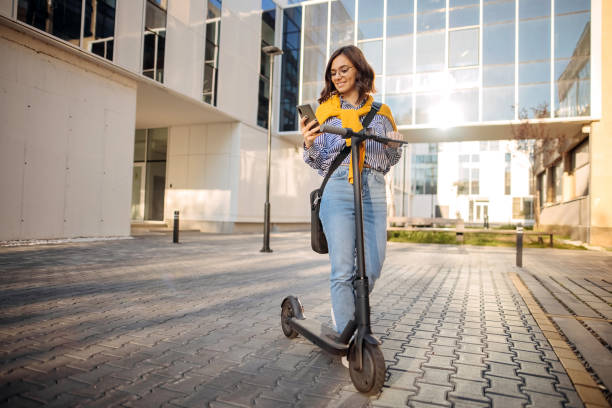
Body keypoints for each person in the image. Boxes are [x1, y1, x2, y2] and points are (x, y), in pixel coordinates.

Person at [301, 45, 403, 338]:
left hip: (373, 186)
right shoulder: (325, 114)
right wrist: (308, 143)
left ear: (359, 69)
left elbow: (386, 161)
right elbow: (320, 162)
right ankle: (349, 335)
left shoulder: (382, 114)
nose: (338, 76)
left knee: (373, 264)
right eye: (333, 73)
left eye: (344, 69)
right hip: (338, 188)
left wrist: (393, 147)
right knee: (343, 269)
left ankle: (348, 317)